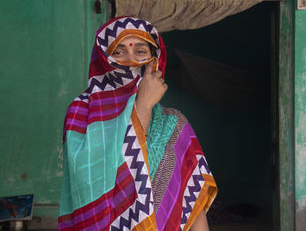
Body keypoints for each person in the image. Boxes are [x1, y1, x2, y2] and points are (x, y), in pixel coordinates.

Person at [58, 17, 217, 230]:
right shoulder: (81, 114)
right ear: (103, 59)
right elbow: (92, 187)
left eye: (140, 52)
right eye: (118, 52)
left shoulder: (174, 124)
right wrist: (142, 105)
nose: (130, 61)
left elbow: (194, 207)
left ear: (155, 61)